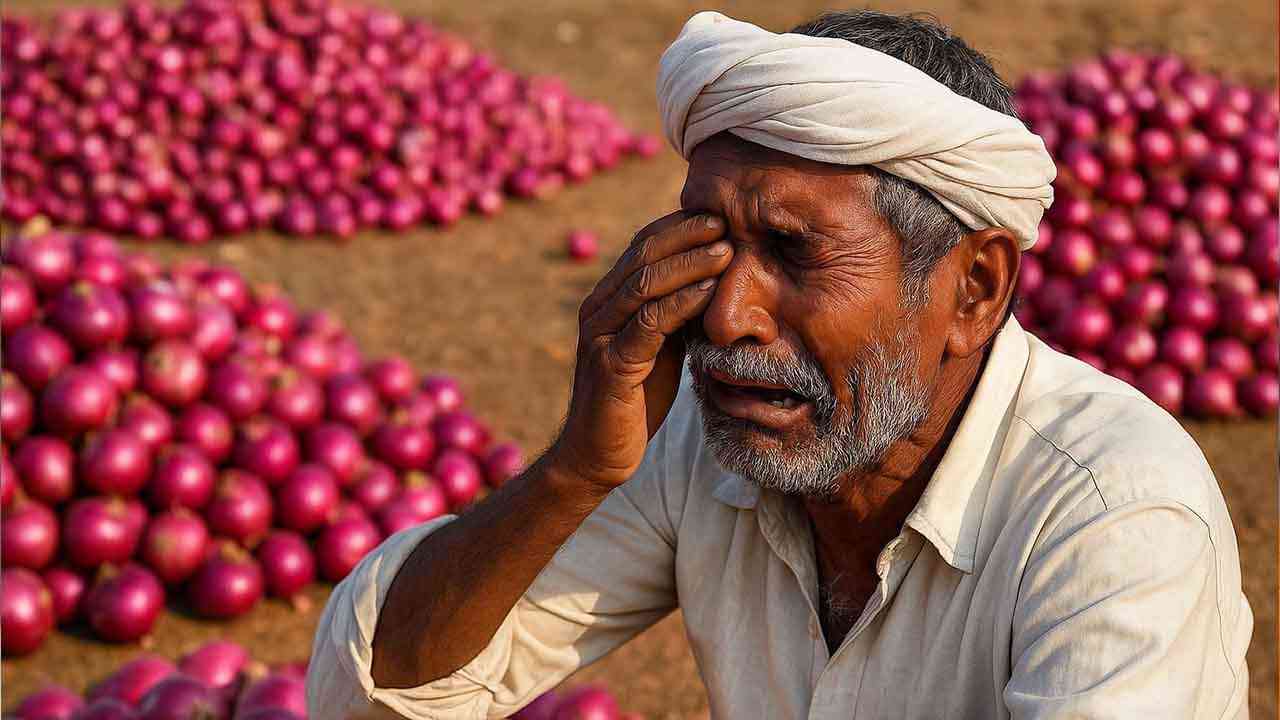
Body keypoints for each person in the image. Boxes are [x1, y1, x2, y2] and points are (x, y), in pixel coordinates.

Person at [306, 10, 1253, 719]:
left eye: (796, 255)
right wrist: (574, 475)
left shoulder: (1113, 514)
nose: (727, 313)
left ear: (973, 289)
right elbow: (380, 694)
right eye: (710, 246)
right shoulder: (699, 446)